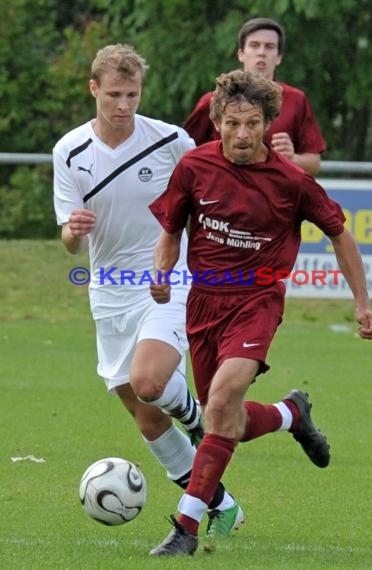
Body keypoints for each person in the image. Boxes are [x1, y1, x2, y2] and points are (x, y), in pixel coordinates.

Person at [148, 69, 372, 556]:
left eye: (252, 123)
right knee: (224, 420)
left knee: (220, 402)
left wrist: (362, 303)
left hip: (257, 300)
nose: (240, 134)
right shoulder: (193, 167)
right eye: (231, 123)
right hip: (203, 304)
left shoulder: (292, 181)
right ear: (216, 121)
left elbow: (340, 233)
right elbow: (170, 228)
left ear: (267, 123)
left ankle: (185, 529)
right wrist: (162, 272)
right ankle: (290, 413)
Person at [52, 44, 243, 537]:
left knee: (151, 383)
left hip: (168, 277)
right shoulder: (69, 151)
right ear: (94, 89)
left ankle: (199, 416)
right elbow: (70, 242)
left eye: (132, 94)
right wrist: (73, 228)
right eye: (113, 94)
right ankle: (222, 506)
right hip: (108, 289)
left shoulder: (170, 140)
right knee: (146, 418)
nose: (123, 105)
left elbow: (215, 184)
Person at [183, 17, 325, 176]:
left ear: (278, 57)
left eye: (269, 47)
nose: (261, 52)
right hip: (224, 195)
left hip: (276, 197)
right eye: (254, 45)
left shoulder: (296, 100)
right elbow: (184, 155)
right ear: (241, 53)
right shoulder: (213, 100)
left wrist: (292, 158)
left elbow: (314, 165)